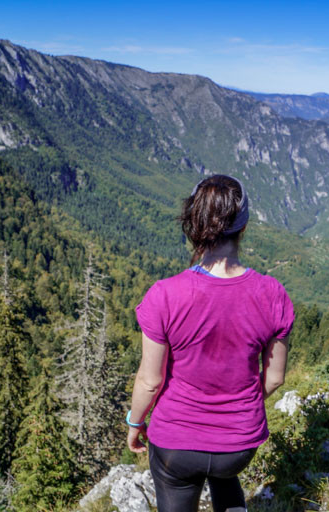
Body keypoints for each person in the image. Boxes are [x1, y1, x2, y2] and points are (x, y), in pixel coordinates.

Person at [126, 174, 295, 512]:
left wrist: (135, 423)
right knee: (222, 473)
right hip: (239, 444)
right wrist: (237, 404)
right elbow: (274, 377)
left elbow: (151, 380)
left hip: (176, 443)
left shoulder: (165, 295)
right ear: (243, 229)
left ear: (194, 225)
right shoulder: (272, 294)